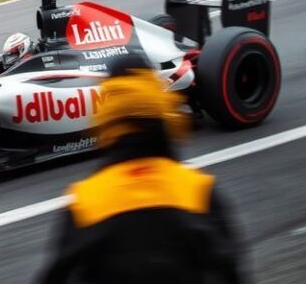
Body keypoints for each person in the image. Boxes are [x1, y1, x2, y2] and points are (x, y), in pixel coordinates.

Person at [38, 53, 245, 284]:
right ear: (157, 100)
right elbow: (231, 272)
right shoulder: (198, 190)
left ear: (107, 109)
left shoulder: (85, 202)